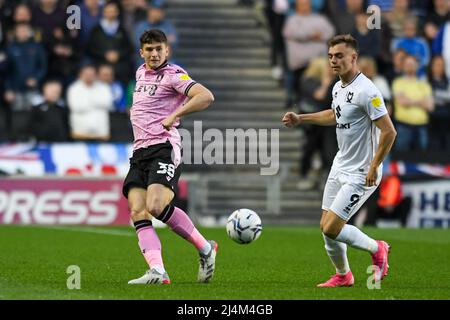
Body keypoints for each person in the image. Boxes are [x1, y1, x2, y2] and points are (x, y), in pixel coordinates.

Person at [282, 34, 397, 287]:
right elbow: (335, 115)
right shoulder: (338, 86)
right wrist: (302, 118)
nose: (334, 61)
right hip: (340, 164)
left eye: (340, 56)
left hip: (361, 171)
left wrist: (374, 165)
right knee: (325, 226)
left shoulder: (367, 91)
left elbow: (389, 131)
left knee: (332, 227)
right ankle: (344, 275)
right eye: (331, 56)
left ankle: (377, 248)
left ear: (353, 57)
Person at [124, 29, 217, 285]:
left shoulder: (174, 75)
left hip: (163, 148)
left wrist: (176, 114)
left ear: (167, 51)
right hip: (139, 151)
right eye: (149, 49)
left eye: (159, 49)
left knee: (155, 206)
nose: (154, 54)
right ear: (141, 52)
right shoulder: (139, 73)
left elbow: (206, 96)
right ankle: (158, 271)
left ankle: (206, 249)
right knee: (137, 211)